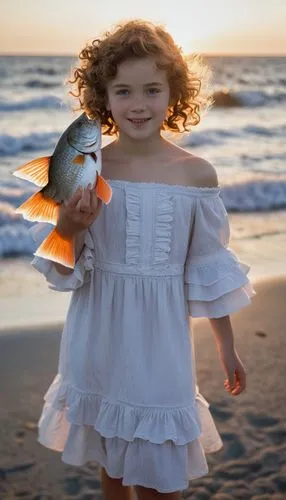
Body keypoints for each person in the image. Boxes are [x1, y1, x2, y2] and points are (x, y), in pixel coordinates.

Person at [31, 19, 256, 500]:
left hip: (161, 346)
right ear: (103, 98)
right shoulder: (87, 170)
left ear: (174, 93)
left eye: (152, 90)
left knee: (160, 477)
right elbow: (63, 273)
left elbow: (207, 271)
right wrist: (70, 227)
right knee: (113, 467)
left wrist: (227, 345)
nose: (138, 104)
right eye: (123, 91)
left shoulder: (196, 174)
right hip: (97, 338)